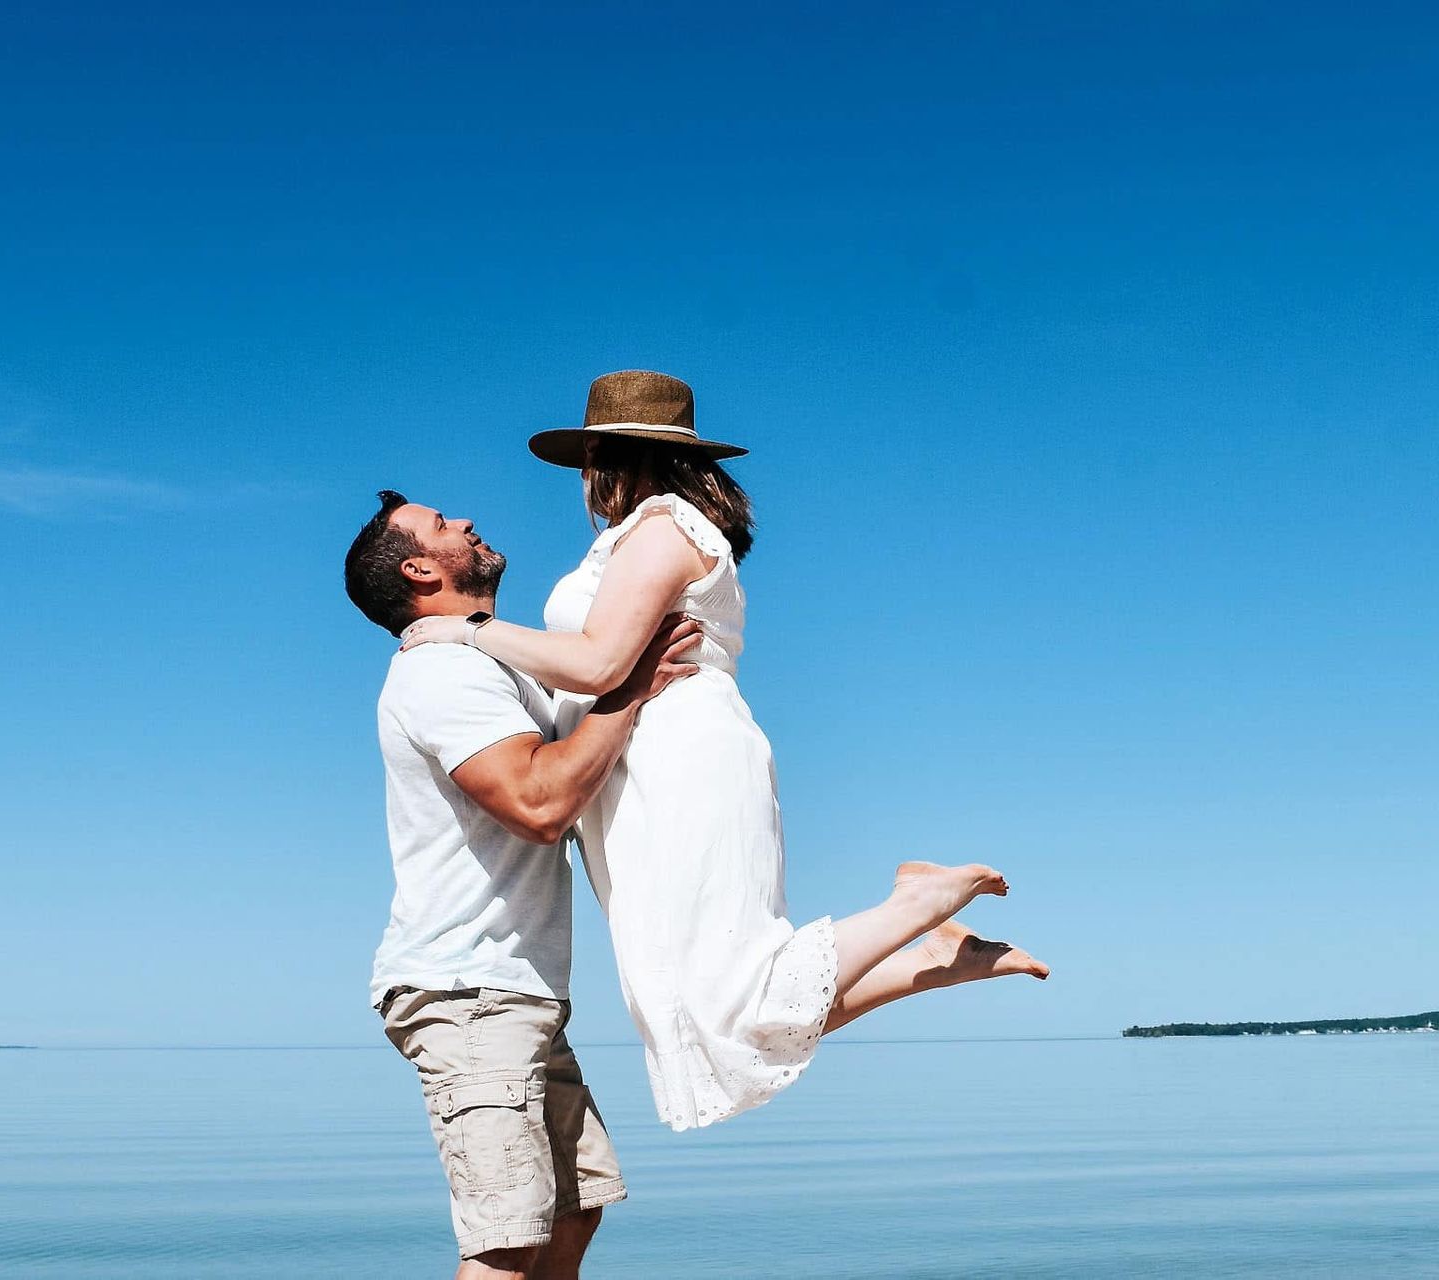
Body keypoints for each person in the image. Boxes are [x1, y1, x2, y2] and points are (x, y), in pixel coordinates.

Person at [399, 370, 1049, 1132]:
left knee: (727, 996)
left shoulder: (665, 527)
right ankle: (931, 957)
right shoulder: (634, 538)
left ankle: (917, 904)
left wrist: (464, 629)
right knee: (698, 1010)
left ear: (605, 458)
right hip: (636, 774)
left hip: (679, 758)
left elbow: (600, 664)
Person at [344, 489, 702, 1280]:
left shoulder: (489, 662)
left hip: (515, 991)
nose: (466, 521)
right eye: (442, 527)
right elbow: (538, 803)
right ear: (417, 568)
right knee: (506, 1240)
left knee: (573, 1213)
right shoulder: (441, 672)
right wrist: (631, 692)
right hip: (464, 991)